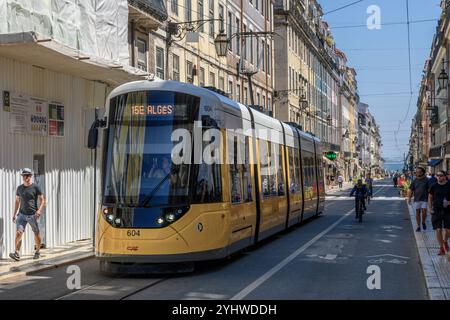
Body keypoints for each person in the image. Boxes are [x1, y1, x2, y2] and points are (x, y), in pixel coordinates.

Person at [9, 168, 46, 261]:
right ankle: (17, 253)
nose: (26, 177)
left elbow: (43, 200)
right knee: (18, 233)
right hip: (21, 215)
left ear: (30, 176)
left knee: (36, 233)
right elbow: (17, 201)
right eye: (24, 175)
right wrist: (14, 214)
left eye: (28, 175)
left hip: (32, 215)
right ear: (22, 177)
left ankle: (37, 251)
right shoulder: (19, 188)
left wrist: (39, 210)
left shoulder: (35, 187)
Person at [428, 171, 450, 256]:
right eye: (437, 176)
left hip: (448, 211)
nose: (439, 177)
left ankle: (445, 242)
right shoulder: (433, 186)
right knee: (438, 229)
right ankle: (441, 248)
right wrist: (430, 209)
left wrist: (449, 202)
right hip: (436, 210)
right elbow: (430, 197)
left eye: (441, 176)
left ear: (445, 176)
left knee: (448, 230)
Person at [408, 167, 430, 232]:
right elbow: (410, 189)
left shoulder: (426, 180)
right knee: (417, 212)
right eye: (416, 172)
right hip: (417, 199)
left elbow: (430, 190)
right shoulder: (414, 180)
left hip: (424, 199)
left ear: (422, 172)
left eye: (418, 172)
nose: (417, 173)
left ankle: (423, 222)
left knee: (424, 212)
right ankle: (418, 226)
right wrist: (409, 198)